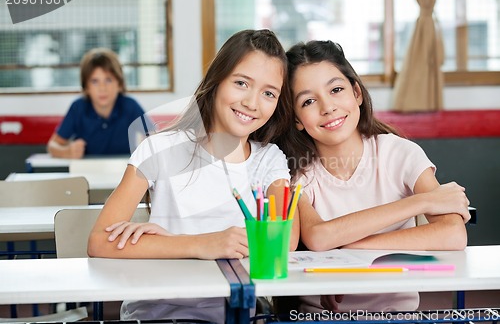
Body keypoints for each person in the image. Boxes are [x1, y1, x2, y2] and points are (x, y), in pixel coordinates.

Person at [88, 29, 299, 323]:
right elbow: (100, 241)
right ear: (216, 81)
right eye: (241, 83)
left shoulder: (269, 159)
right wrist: (199, 244)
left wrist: (166, 243)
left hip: (236, 314)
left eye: (268, 93)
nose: (252, 102)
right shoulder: (159, 147)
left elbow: (283, 241)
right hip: (156, 315)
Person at [277, 40, 470, 313]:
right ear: (296, 118)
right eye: (308, 101)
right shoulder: (297, 172)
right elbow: (319, 237)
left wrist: (348, 247)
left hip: (398, 315)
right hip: (319, 317)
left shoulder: (399, 153)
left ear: (356, 93)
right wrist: (420, 203)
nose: (328, 107)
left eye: (336, 89)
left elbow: (453, 235)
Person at [47, 48, 149, 158]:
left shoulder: (130, 106)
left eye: (108, 80)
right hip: (86, 172)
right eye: (95, 81)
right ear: (86, 87)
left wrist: (149, 143)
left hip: (124, 171)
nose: (102, 88)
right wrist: (67, 151)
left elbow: (154, 138)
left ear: (119, 84)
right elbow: (52, 146)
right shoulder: (78, 108)